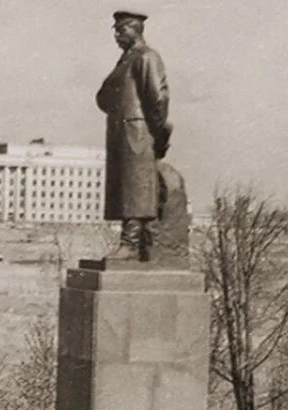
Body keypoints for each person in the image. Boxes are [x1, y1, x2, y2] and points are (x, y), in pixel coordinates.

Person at [95, 9, 172, 261]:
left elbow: (157, 98)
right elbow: (104, 97)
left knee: (136, 188)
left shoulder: (147, 56)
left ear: (134, 28)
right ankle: (139, 243)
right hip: (123, 130)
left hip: (138, 131)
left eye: (121, 30)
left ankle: (131, 243)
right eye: (115, 31)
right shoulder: (126, 60)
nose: (116, 36)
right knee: (128, 186)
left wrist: (158, 134)